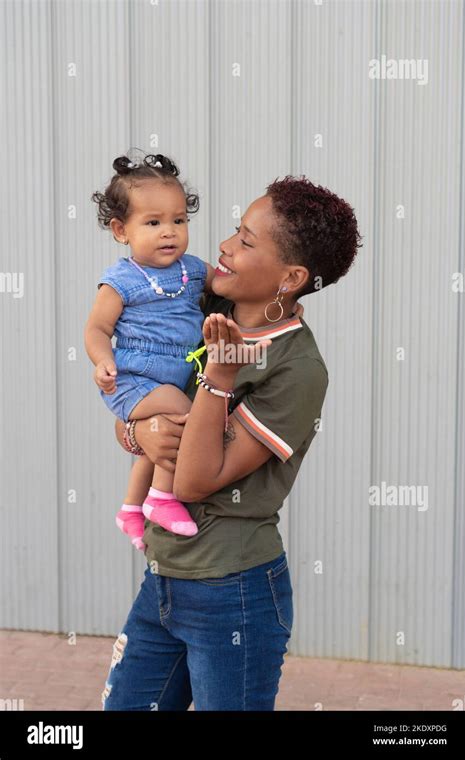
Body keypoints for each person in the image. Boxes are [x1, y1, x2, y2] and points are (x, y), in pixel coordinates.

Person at [101, 175, 362, 711]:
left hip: (233, 592)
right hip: (165, 576)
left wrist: (217, 377)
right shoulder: (198, 308)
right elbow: (131, 408)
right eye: (233, 231)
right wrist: (138, 429)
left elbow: (195, 480)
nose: (223, 246)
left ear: (290, 277)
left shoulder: (296, 368)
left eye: (246, 240)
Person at [85, 151, 216, 544]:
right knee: (184, 414)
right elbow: (96, 328)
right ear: (121, 230)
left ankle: (130, 507)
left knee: (157, 442)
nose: (169, 232)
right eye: (154, 222)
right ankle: (160, 497)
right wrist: (102, 360)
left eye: (179, 220)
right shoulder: (121, 279)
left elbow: (228, 284)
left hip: (172, 377)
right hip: (132, 379)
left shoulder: (192, 269)